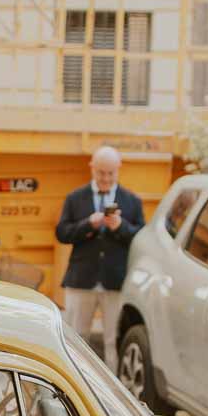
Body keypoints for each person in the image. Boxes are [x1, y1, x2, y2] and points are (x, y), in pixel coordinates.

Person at [54, 145, 145, 368]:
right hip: (81, 279)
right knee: (75, 338)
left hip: (115, 281)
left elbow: (140, 239)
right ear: (92, 168)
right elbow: (62, 233)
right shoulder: (75, 198)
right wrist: (89, 224)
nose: (105, 178)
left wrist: (120, 226)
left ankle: (114, 390)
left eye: (110, 173)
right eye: (101, 172)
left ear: (118, 170)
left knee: (113, 340)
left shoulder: (132, 201)